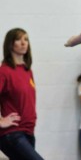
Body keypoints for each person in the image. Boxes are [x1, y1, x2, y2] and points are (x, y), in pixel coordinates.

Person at [0, 28, 44, 160]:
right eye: (19, 39)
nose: (24, 43)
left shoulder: (27, 71)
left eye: (26, 39)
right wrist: (1, 121)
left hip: (29, 131)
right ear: (10, 44)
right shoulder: (4, 71)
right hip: (12, 133)